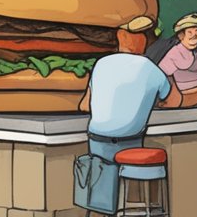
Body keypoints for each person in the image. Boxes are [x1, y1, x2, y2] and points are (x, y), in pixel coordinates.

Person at [78, 19, 181, 162]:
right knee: (129, 179)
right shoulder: (149, 67)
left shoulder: (101, 63)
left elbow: (84, 106)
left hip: (97, 140)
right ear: (122, 36)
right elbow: (174, 102)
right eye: (141, 34)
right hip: (129, 142)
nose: (145, 39)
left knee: (102, 179)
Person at [155, 13, 197, 91]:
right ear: (181, 35)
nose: (194, 35)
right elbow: (161, 78)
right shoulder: (172, 54)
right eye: (190, 32)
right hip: (179, 97)